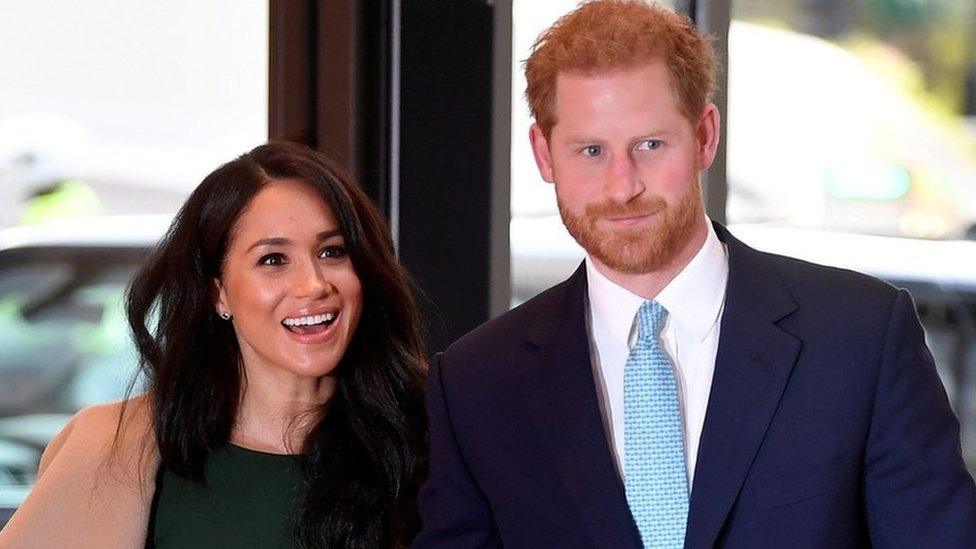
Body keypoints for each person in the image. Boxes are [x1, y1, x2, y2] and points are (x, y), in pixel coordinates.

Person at [414, 1, 976, 547]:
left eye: (651, 145)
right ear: (543, 153)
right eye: (590, 151)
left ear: (705, 135)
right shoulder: (476, 385)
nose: (622, 185)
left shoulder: (860, 337)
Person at [0, 142, 427, 548]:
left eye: (333, 252)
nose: (313, 285)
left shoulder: (429, 434)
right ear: (218, 292)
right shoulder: (121, 446)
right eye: (273, 260)